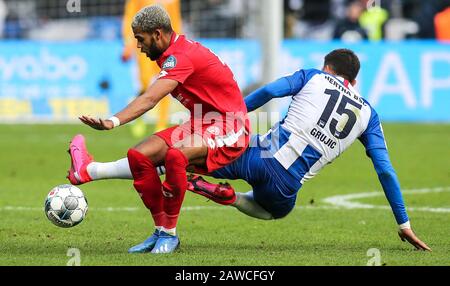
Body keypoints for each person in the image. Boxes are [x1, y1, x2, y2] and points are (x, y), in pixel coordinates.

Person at [185, 49, 431, 251]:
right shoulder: (369, 115)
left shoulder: (313, 76)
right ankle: (230, 198)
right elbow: (385, 170)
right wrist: (403, 223)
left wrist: (231, 115)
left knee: (190, 156)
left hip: (260, 154)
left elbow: (270, 91)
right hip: (285, 187)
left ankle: (162, 168)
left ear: (327, 68)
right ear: (354, 82)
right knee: (274, 213)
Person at [67, 5, 250, 254]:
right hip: (201, 123)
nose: (139, 47)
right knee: (139, 155)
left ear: (157, 34)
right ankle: (159, 229)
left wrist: (113, 121)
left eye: (140, 40)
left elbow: (150, 99)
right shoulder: (169, 53)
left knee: (176, 155)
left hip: (232, 127)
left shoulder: (180, 56)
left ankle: (170, 234)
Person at [121, 0, 182, 137]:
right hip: (145, 43)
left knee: (166, 81)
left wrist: (177, 42)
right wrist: (128, 43)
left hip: (165, 44)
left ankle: (161, 125)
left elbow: (176, 19)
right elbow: (130, 16)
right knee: (145, 83)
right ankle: (138, 116)